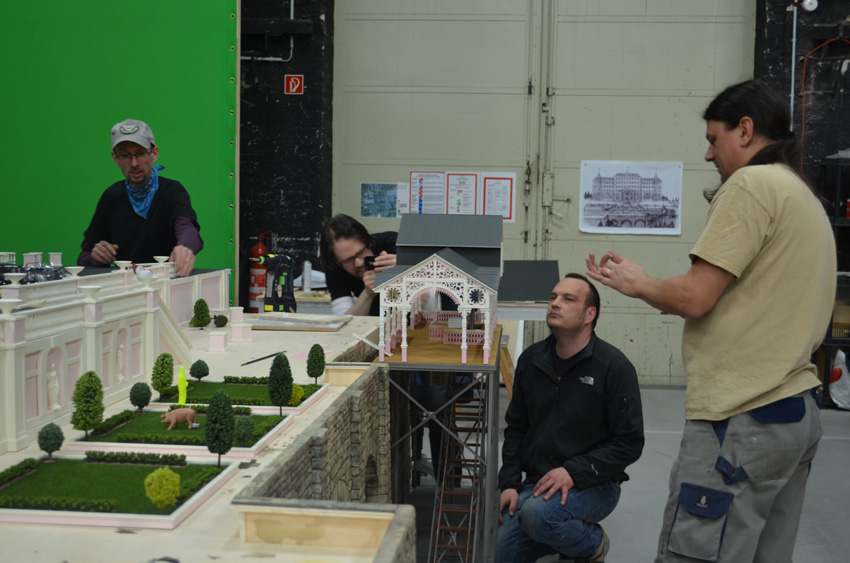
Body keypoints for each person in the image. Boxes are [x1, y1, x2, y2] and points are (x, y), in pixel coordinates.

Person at [586, 80, 835, 563]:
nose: (707, 154)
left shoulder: (751, 185)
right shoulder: (803, 197)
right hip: (793, 414)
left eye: (713, 139)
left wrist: (639, 282)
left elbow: (696, 297)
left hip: (742, 417)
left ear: (745, 130)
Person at [497, 274, 645, 563]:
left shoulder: (614, 367)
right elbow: (517, 427)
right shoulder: (531, 360)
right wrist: (510, 483)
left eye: (568, 299)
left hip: (595, 484)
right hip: (538, 483)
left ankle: (592, 543)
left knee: (538, 516)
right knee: (503, 552)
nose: (555, 303)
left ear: (589, 315)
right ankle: (561, 538)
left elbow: (629, 443)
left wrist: (573, 472)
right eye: (553, 297)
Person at [77, 118, 203, 277]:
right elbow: (84, 255)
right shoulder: (111, 196)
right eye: (125, 155)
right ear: (115, 158)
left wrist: (185, 246)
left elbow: (187, 228)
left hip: (165, 283)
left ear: (154, 154)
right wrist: (95, 258)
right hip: (122, 286)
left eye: (140, 154)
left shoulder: (172, 191)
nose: (134, 163)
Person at [319, 214, 397, 316]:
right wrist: (368, 294)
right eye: (348, 260)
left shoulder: (394, 244)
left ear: (369, 242)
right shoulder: (335, 268)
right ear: (337, 261)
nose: (359, 263)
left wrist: (408, 270)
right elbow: (344, 320)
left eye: (360, 252)